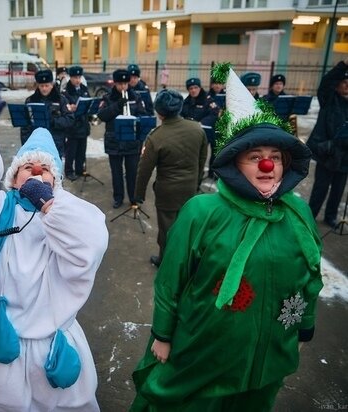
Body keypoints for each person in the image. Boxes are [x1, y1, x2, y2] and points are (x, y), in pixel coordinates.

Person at [130, 63, 323, 412]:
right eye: (256, 157)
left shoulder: (298, 212)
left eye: (275, 157)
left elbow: (310, 278)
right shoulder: (202, 212)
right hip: (205, 349)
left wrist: (304, 329)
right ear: (236, 163)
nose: (268, 166)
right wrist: (162, 333)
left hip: (269, 354)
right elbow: (171, 279)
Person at [0, 79, 109, 411]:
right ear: (12, 179)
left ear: (58, 180)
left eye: (45, 170)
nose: (36, 172)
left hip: (50, 341)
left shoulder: (70, 214)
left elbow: (90, 244)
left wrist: (50, 206)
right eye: (27, 168)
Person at [133, 89, 207, 268]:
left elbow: (144, 170)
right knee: (188, 225)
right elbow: (202, 159)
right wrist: (196, 181)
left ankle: (166, 262)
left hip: (167, 192)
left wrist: (138, 195)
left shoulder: (156, 137)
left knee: (167, 229)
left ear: (159, 112)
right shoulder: (197, 129)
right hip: (189, 189)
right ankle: (188, 260)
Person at [307, 59, 348, 229]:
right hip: (328, 152)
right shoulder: (328, 99)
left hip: (345, 154)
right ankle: (310, 216)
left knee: (338, 189)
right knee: (321, 187)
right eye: (344, 82)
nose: (346, 86)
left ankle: (330, 216)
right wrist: (343, 65)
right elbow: (327, 81)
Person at [97, 69, 147, 209]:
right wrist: (117, 105)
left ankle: (133, 198)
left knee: (132, 172)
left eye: (125, 83)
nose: (123, 87)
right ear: (115, 83)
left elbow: (143, 115)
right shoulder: (107, 97)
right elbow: (102, 116)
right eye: (120, 84)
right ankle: (118, 197)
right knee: (116, 173)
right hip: (114, 141)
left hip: (132, 142)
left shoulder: (135, 96)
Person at [21, 69, 74, 158]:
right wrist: (26, 144)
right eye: (41, 86)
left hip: (55, 143)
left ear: (52, 85)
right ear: (38, 86)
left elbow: (69, 119)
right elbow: (25, 126)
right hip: (36, 144)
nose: (44, 88)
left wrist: (54, 122)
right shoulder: (31, 100)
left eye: (47, 85)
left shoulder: (61, 100)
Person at [181, 77, 220, 178]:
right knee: (195, 155)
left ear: (199, 87)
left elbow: (215, 113)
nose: (193, 90)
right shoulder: (187, 101)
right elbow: (183, 114)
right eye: (190, 88)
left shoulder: (207, 99)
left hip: (208, 133)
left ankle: (210, 174)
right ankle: (196, 175)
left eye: (195, 87)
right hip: (193, 134)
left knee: (209, 155)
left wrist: (201, 123)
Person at [62, 65, 91, 181]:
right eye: (75, 77)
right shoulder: (66, 91)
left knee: (81, 150)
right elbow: (64, 106)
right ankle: (69, 171)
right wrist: (70, 108)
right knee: (71, 151)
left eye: (79, 77)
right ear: (70, 78)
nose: (77, 80)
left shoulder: (84, 89)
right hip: (72, 126)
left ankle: (79, 169)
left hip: (83, 125)